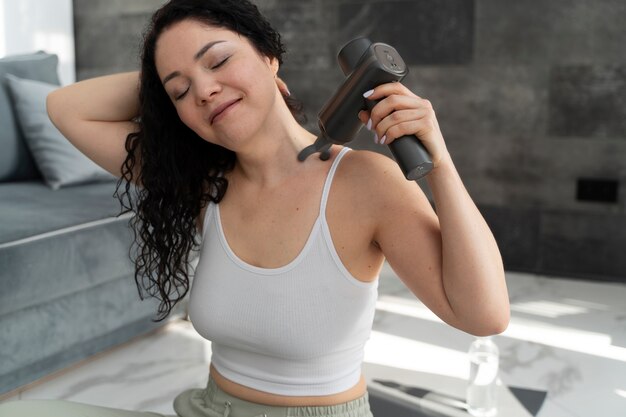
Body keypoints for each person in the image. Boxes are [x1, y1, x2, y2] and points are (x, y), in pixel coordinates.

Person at [0, 0, 510, 416]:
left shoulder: (362, 181)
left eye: (219, 61)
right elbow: (64, 109)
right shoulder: (204, 183)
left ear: (270, 58)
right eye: (178, 90)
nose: (203, 89)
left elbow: (484, 315)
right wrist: (169, 86)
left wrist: (438, 162)